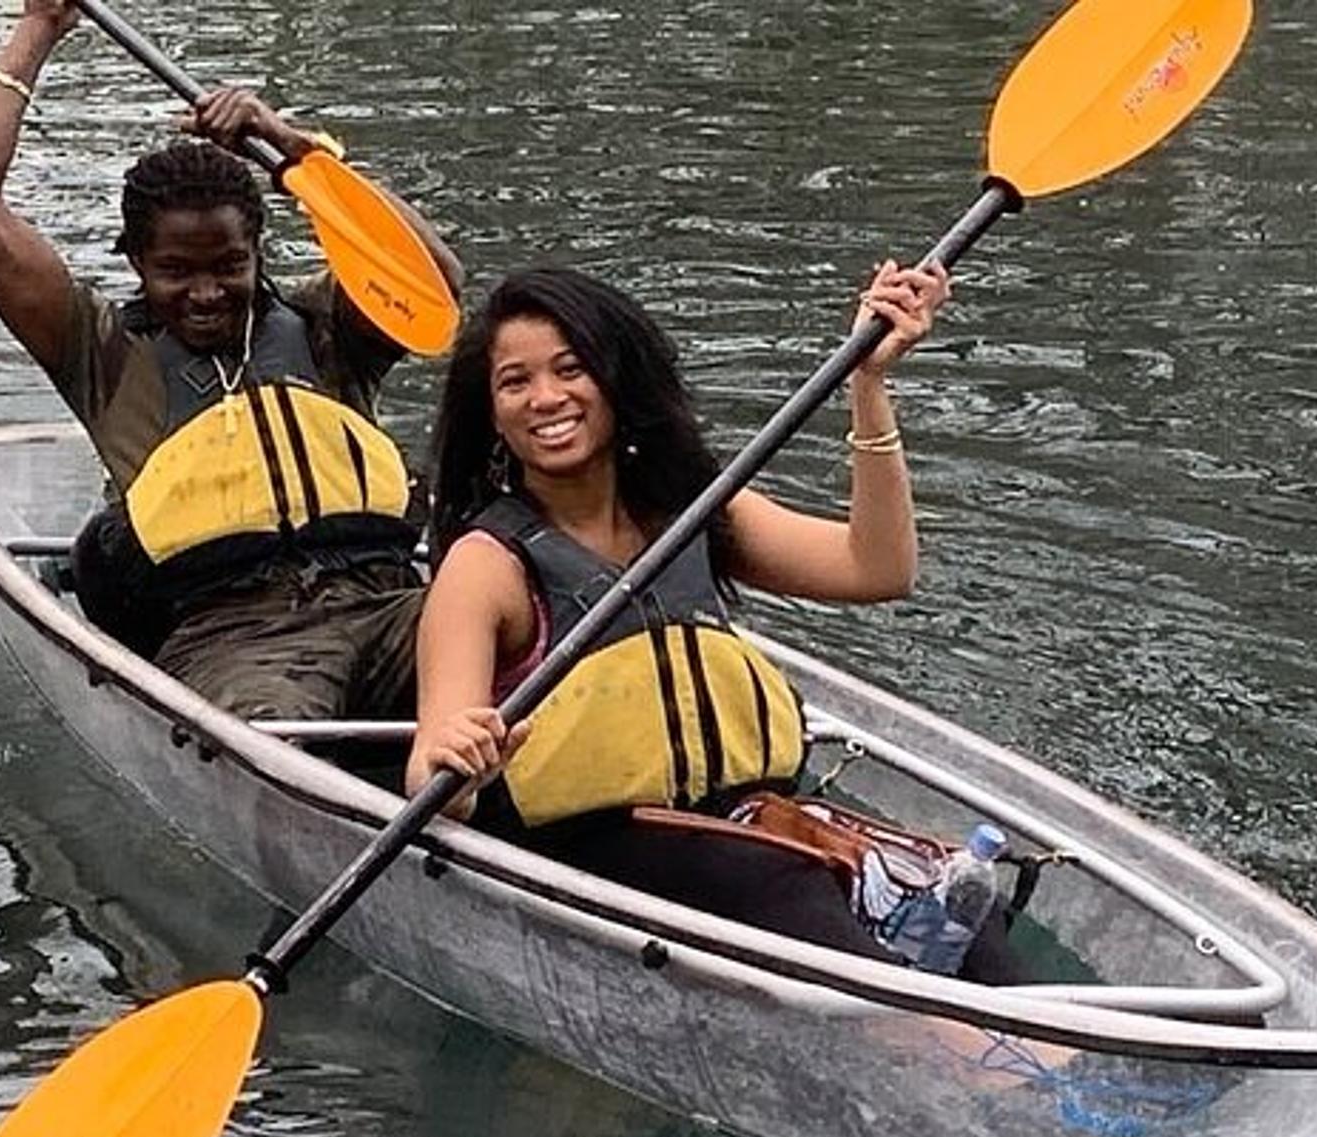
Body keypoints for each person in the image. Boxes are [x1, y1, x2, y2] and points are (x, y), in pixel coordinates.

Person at [404, 264, 1031, 984]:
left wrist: (868, 385)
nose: (546, 398)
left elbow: (876, 569)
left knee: (955, 898)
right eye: (515, 382)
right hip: (590, 848)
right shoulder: (485, 566)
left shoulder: (696, 514)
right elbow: (434, 779)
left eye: (570, 369)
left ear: (618, 380)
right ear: (491, 412)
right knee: (777, 882)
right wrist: (458, 758)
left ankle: (1073, 1059)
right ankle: (962, 1066)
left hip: (739, 824)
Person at [0, 0, 463, 720]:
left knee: (518, 661)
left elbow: (437, 280)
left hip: (389, 602)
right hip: (233, 635)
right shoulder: (100, 350)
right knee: (279, 733)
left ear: (257, 253)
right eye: (176, 271)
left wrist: (294, 153)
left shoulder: (326, 326)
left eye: (229, 264)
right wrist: (38, 31)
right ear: (137, 265)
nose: (207, 292)